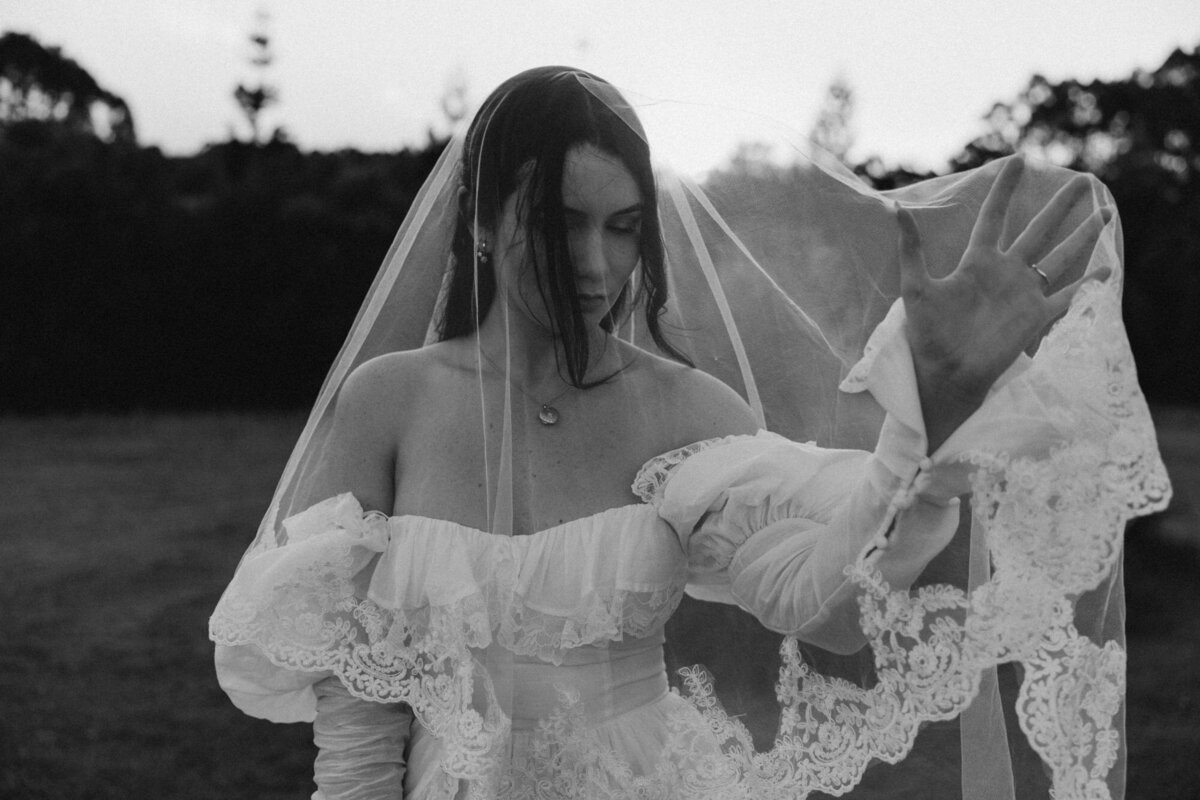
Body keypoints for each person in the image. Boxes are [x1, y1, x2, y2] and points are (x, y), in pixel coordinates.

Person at [209, 67, 1170, 799]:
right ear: (481, 222)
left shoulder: (688, 410)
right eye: (560, 221)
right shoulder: (388, 403)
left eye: (624, 226)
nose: (596, 265)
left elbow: (819, 605)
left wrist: (917, 438)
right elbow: (357, 709)